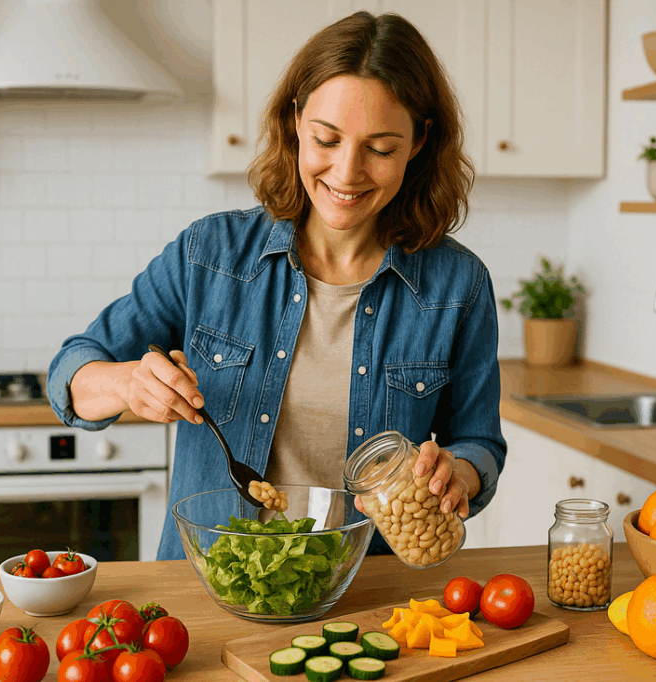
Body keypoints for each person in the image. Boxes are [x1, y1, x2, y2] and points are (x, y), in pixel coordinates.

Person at [47, 10, 507, 561]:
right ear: (295, 122)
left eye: (380, 148)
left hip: (368, 594)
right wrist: (126, 386)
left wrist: (459, 473)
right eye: (326, 139)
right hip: (213, 585)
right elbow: (70, 373)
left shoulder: (459, 286)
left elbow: (480, 443)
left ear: (418, 142)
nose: (346, 171)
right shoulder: (209, 257)